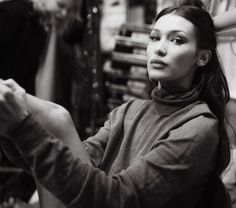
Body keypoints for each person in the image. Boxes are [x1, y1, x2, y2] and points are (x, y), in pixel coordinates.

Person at [0, 0, 232, 207]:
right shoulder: (128, 111)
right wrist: (13, 126)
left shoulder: (199, 127)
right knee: (54, 122)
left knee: (58, 119)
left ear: (202, 57)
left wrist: (24, 127)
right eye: (154, 37)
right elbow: (69, 169)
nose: (159, 49)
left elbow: (116, 198)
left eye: (177, 40)